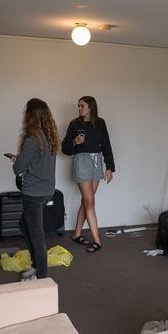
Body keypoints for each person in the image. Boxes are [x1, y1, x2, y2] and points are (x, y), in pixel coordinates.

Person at [6, 98, 59, 280]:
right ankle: (37, 267)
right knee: (24, 225)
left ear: (29, 116)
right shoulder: (50, 137)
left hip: (33, 194)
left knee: (37, 237)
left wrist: (17, 160)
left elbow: (18, 169)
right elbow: (38, 163)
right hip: (47, 190)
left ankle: (42, 276)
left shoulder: (32, 140)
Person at [61, 96, 115, 253]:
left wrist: (109, 167)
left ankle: (77, 234)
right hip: (81, 161)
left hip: (96, 161)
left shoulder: (100, 123)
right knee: (90, 201)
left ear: (91, 107)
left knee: (87, 201)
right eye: (78, 106)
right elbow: (65, 148)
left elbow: (106, 145)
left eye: (82, 106)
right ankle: (97, 240)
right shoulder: (74, 124)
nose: (79, 108)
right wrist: (74, 142)